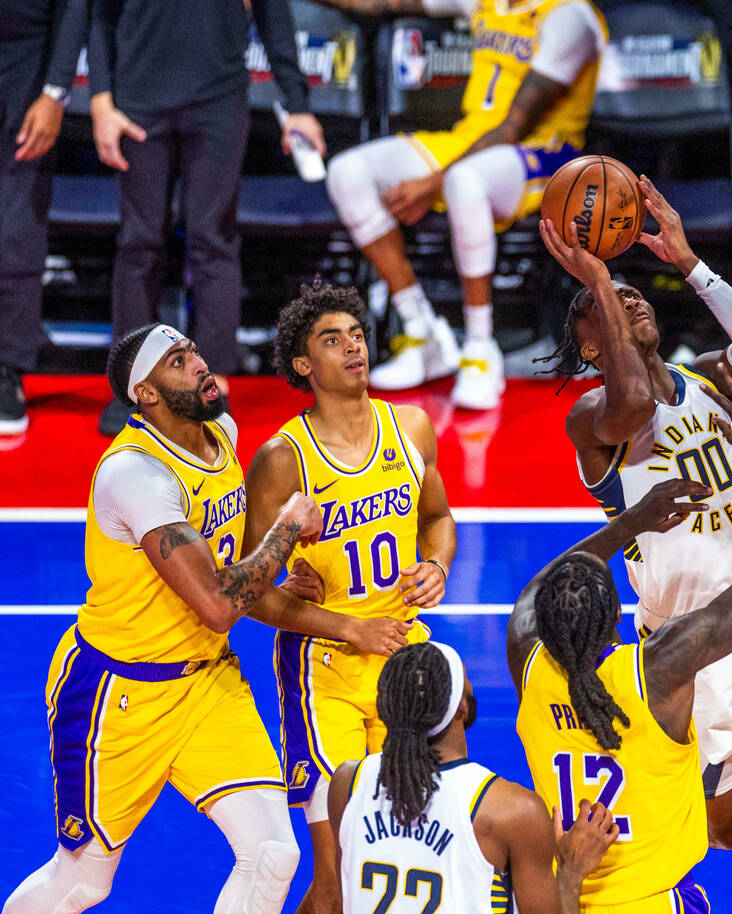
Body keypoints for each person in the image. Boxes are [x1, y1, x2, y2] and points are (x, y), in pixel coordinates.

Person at [2, 324, 410, 914]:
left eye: (193, 349)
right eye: (176, 360)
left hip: (206, 683)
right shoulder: (135, 475)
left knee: (273, 853)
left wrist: (279, 564)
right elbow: (219, 605)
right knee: (82, 884)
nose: (198, 363)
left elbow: (230, 549)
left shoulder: (223, 431)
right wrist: (288, 530)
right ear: (145, 393)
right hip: (118, 695)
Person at [538, 178, 732, 850]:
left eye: (631, 293)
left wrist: (688, 262)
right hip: (689, 641)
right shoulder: (594, 418)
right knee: (731, 833)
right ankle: (711, 749)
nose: (627, 299)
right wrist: (595, 276)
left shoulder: (709, 375)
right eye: (606, 307)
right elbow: (636, 407)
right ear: (590, 347)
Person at [508, 362, 732, 913]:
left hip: (560, 893)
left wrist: (627, 522)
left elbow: (534, 595)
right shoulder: (657, 668)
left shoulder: (528, 666)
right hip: (652, 900)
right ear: (614, 620)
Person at [242, 283, 456, 914]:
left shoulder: (411, 426)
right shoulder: (283, 460)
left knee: (410, 853)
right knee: (339, 877)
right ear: (302, 365)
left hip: (406, 658)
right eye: (330, 340)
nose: (351, 347)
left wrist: (437, 566)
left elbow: (439, 518)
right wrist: (345, 627)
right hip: (322, 672)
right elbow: (250, 594)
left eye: (356, 334)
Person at [319, 0, 606, 409]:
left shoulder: (570, 15)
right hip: (472, 140)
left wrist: (428, 185)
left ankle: (478, 349)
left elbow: (515, 125)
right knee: (348, 172)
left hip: (549, 154)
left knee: (463, 180)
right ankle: (423, 333)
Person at [90, 0, 327, 435]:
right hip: (137, 102)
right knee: (139, 243)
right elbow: (100, 15)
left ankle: (211, 383)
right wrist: (101, 103)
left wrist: (298, 104)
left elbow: (274, 16)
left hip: (217, 102)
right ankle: (131, 387)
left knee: (213, 241)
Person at [328, 641, 620, 914]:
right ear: (460, 706)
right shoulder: (511, 810)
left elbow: (342, 897)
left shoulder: (348, 782)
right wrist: (570, 872)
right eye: (465, 676)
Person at [0, 0, 88, 434]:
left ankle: (7, 369)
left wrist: (56, 91)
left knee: (18, 219)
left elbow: (73, 7)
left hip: (26, 59)